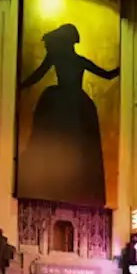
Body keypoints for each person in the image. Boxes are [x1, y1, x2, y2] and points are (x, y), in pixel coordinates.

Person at [20, 24, 119, 205]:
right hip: (74, 103)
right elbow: (107, 75)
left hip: (64, 103)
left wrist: (23, 85)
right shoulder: (77, 60)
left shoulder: (58, 57)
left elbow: (38, 74)